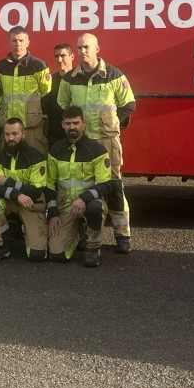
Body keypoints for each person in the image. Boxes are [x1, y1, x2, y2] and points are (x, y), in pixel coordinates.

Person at [57, 32, 135, 254]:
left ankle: (122, 235)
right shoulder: (69, 78)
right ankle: (86, 235)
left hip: (107, 141)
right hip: (83, 144)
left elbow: (129, 104)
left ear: (97, 49)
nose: (83, 51)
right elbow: (63, 105)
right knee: (84, 188)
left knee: (114, 187)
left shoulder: (113, 75)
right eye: (80, 48)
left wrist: (112, 123)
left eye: (87, 47)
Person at [46, 106, 112, 268]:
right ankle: (77, 232)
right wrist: (53, 212)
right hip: (65, 204)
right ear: (62, 124)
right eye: (68, 124)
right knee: (57, 255)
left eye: (76, 123)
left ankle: (93, 248)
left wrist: (84, 198)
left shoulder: (97, 150)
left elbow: (105, 184)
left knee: (95, 208)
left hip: (88, 202)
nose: (72, 127)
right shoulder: (55, 150)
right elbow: (49, 183)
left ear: (84, 123)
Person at [0, 117, 47, 263]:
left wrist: (8, 182)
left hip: (30, 204)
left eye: (15, 134)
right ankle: (1, 247)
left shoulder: (36, 157)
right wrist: (16, 194)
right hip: (11, 201)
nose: (11, 138)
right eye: (7, 134)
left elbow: (35, 190)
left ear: (23, 134)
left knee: (37, 255)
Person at [0, 26, 52, 155]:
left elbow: (46, 93)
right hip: (8, 129)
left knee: (35, 164)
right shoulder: (0, 67)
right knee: (7, 165)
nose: (18, 44)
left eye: (21, 40)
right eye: (14, 40)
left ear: (27, 42)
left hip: (31, 129)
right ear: (9, 43)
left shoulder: (39, 66)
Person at [42, 43, 75, 146]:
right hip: (55, 137)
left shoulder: (80, 80)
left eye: (63, 56)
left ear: (72, 56)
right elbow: (44, 109)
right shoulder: (49, 82)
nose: (59, 60)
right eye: (56, 56)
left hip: (78, 135)